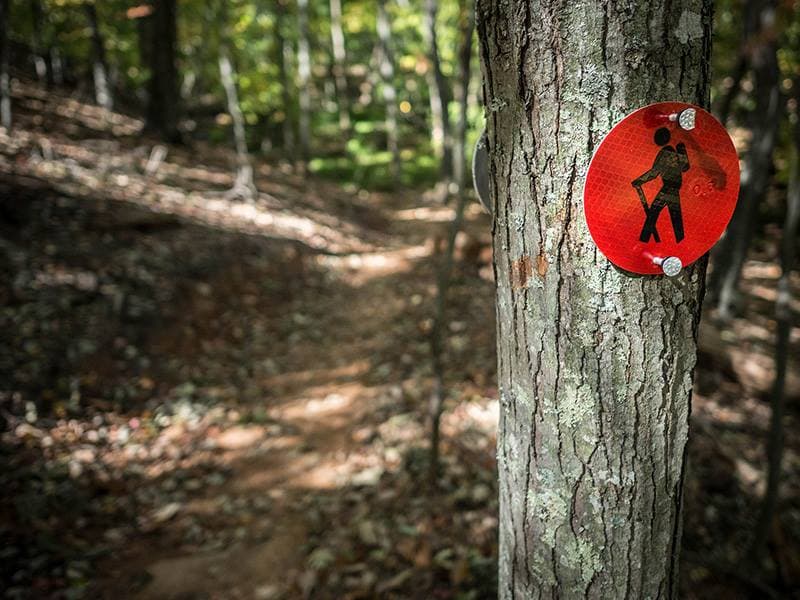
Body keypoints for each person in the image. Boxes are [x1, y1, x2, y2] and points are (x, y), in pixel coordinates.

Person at [632, 127, 689, 243]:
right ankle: (680, 241)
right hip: (672, 188)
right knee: (674, 215)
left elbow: (654, 173)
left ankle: (644, 240)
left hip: (669, 188)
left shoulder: (667, 153)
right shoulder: (669, 152)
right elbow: (684, 167)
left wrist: (639, 181)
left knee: (655, 212)